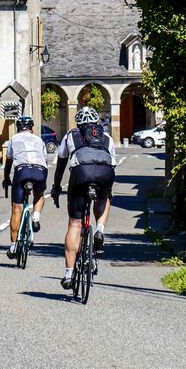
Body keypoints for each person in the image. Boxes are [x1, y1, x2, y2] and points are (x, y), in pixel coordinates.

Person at [50, 106, 116, 290]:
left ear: (78, 123)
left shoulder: (70, 136)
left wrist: (56, 187)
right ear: (96, 122)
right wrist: (108, 188)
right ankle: (100, 230)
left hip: (81, 173)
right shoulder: (107, 137)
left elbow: (61, 164)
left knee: (75, 224)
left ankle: (69, 274)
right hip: (105, 173)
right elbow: (112, 163)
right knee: (104, 197)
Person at [2, 114, 48, 259]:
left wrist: (6, 178)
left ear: (18, 128)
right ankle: (35, 217)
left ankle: (13, 247)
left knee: (17, 209)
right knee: (39, 194)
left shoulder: (14, 139)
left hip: (22, 171)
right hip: (39, 170)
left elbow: (9, 161)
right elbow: (44, 159)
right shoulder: (39, 140)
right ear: (31, 128)